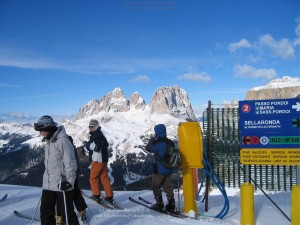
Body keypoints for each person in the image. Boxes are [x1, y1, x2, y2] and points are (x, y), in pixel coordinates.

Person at [34, 115, 79, 225]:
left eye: (42, 130)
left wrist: (69, 182)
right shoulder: (49, 142)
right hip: (48, 185)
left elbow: (71, 163)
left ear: (48, 128)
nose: (40, 133)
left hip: (62, 184)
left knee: (67, 214)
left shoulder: (63, 141)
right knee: (45, 214)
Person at [56, 136, 88, 225]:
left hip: (66, 176)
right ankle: (82, 210)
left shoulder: (64, 147)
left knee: (60, 196)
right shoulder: (70, 146)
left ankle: (60, 216)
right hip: (74, 174)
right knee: (76, 192)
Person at [83, 119, 115, 205]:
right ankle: (109, 196)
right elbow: (105, 144)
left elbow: (97, 147)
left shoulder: (96, 135)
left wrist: (87, 145)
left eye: (92, 127)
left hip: (97, 160)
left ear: (96, 126)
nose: (90, 128)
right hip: (103, 160)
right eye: (89, 127)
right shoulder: (100, 134)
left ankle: (96, 196)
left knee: (93, 178)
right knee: (104, 177)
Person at [145, 124, 176, 212]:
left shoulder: (157, 142)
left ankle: (159, 204)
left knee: (155, 186)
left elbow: (148, 148)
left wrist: (152, 138)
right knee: (168, 186)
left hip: (159, 169)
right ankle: (171, 205)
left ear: (157, 132)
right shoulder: (170, 142)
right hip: (169, 168)